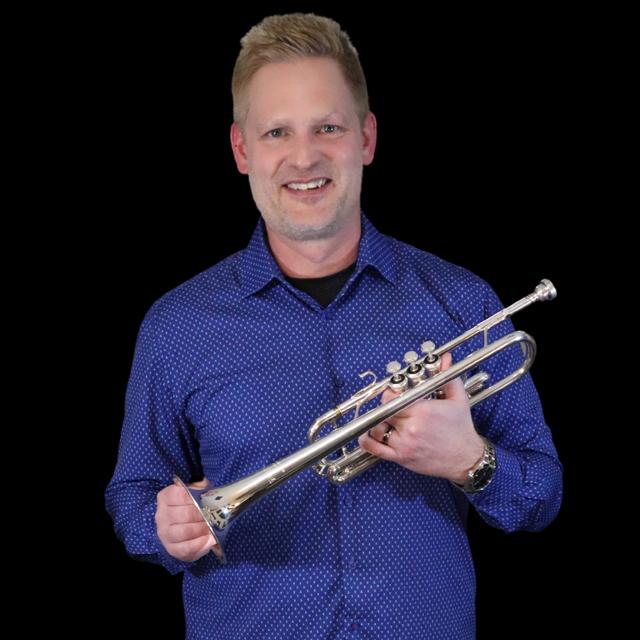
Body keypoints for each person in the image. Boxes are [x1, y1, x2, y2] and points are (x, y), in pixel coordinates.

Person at [105, 13, 562, 640]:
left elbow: (540, 496)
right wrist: (162, 529)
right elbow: (133, 494)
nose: (304, 156)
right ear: (242, 150)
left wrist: (468, 460)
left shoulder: (459, 300)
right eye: (276, 132)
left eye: (328, 127)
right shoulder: (178, 326)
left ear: (366, 138)